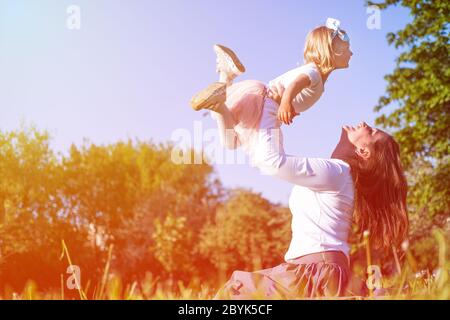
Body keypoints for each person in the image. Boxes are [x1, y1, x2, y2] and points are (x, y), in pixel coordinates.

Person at [213, 122, 409, 299]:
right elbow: (264, 157)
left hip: (315, 273)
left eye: (372, 132)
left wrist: (270, 112)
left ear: (363, 151)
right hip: (318, 271)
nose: (365, 124)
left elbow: (272, 162)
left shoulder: (336, 172)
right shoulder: (338, 174)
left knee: (235, 293)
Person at [190, 18, 353, 182]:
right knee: (269, 158)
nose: (351, 53)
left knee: (231, 141)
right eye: (347, 49)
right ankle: (220, 96)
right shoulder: (314, 73)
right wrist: (285, 103)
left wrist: (291, 107)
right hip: (269, 106)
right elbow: (295, 84)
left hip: (267, 103)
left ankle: (225, 77)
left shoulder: (316, 74)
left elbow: (296, 90)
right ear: (332, 52)